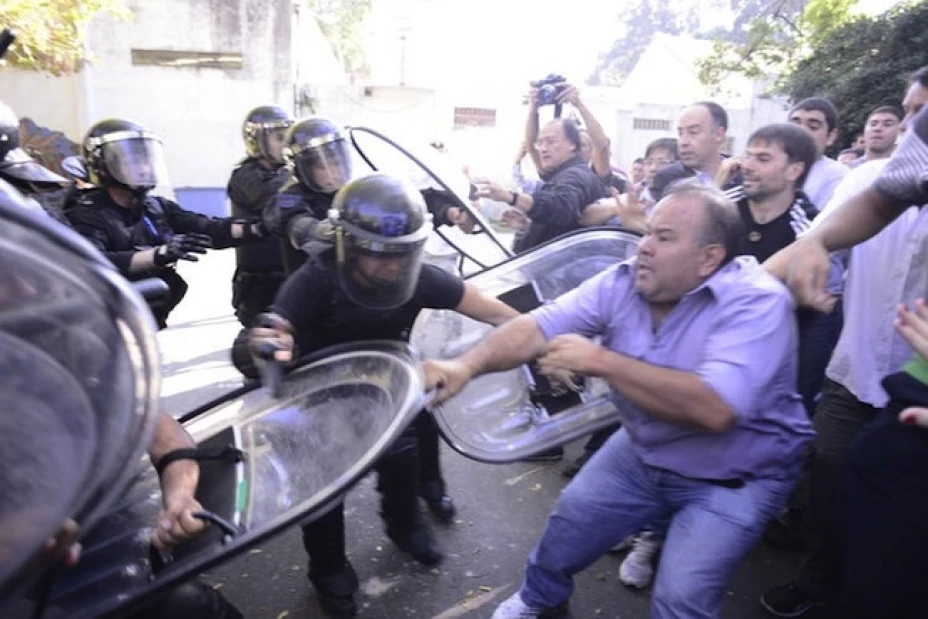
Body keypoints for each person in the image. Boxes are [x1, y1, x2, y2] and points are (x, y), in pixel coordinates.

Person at [424, 180, 813, 619]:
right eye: (648, 231)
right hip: (646, 449)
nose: (644, 246)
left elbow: (715, 409)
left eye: (663, 238)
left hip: (735, 475)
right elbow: (536, 327)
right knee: (568, 529)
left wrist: (601, 360)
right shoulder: (623, 280)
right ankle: (541, 601)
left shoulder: (757, 302)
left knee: (681, 598)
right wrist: (466, 366)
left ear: (709, 258)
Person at [250, 172, 520, 618]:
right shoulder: (316, 278)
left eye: (403, 255)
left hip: (383, 391)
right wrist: (269, 340)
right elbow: (278, 325)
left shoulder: (420, 278)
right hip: (319, 396)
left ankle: (405, 527)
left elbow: (493, 310)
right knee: (322, 489)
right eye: (380, 256)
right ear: (348, 246)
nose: (394, 268)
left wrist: (542, 338)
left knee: (401, 458)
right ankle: (328, 569)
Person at [0, 189, 240, 618]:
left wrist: (180, 498)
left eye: (27, 267)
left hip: (118, 572)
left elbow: (163, 433)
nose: (23, 288)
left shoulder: (66, 347)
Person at [765, 102, 928, 619]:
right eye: (912, 112)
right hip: (858, 372)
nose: (910, 123)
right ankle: (818, 582)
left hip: (913, 387)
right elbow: (873, 208)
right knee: (835, 476)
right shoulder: (873, 180)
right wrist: (814, 240)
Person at [66, 118, 267, 328]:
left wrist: (260, 227)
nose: (144, 168)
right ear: (103, 165)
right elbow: (93, 262)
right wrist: (158, 255)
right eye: (133, 161)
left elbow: (207, 227)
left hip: (144, 315)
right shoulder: (87, 213)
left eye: (146, 160)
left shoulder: (154, 207)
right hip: (104, 320)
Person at [227, 105, 293, 378]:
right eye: (279, 137)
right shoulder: (245, 176)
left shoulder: (287, 174)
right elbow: (269, 195)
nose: (286, 144)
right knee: (261, 353)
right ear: (258, 142)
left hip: (288, 275)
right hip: (258, 282)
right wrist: (306, 167)